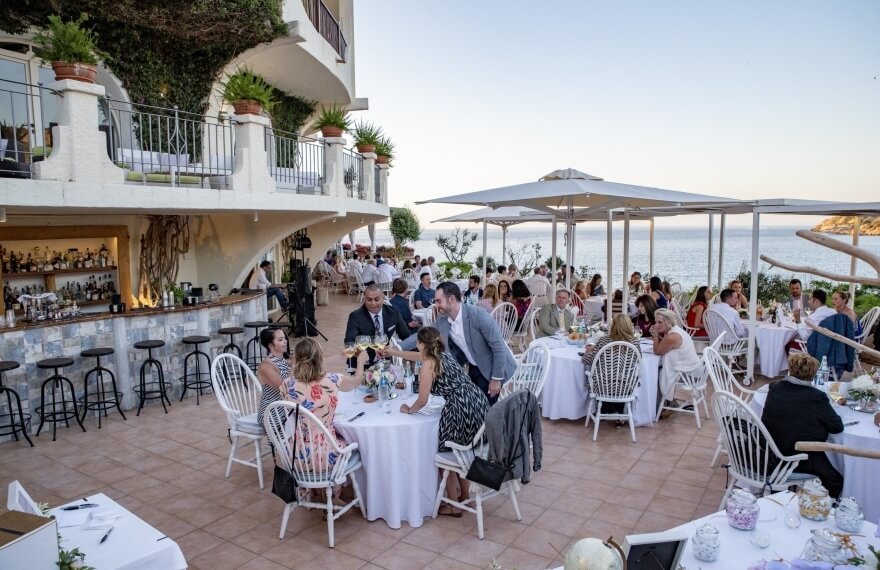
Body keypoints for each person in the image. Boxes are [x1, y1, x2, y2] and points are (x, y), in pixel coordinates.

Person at [382, 327, 489, 517]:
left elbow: (422, 400)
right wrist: (395, 352)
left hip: (459, 407)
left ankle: (454, 505)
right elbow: (418, 357)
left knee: (445, 455)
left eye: (417, 343)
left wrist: (409, 409)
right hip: (477, 401)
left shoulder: (428, 365)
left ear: (422, 344)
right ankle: (465, 496)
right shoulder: (442, 355)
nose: (416, 346)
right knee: (461, 450)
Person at [405, 282, 516, 404]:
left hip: (494, 366)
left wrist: (496, 379)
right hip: (474, 366)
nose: (436, 305)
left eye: (438, 301)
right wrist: (398, 347)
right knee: (470, 405)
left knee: (483, 410)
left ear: (451, 299)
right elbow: (424, 335)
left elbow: (498, 348)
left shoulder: (478, 315)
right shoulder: (442, 319)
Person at [761, 353, 844, 497]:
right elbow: (837, 427)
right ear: (812, 374)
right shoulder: (816, 397)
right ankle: (819, 510)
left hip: (771, 452)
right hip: (799, 457)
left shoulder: (774, 387)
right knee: (835, 480)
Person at [280, 338, 368, 473]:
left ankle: (314, 492)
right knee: (359, 446)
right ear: (319, 358)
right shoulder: (333, 380)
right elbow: (356, 381)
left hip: (295, 454)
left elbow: (294, 374)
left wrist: (299, 361)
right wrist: (361, 362)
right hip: (326, 454)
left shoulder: (288, 384)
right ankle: (341, 492)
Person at [582, 314, 641, 423]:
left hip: (603, 386)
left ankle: (609, 411)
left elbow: (587, 361)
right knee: (620, 377)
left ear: (612, 326)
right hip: (626, 387)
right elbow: (638, 361)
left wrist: (589, 351)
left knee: (604, 378)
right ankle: (618, 413)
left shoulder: (604, 340)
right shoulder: (635, 342)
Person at [344, 284, 411, 367]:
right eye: (369, 300)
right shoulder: (355, 316)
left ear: (383, 298)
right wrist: (356, 352)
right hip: (362, 362)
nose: (373, 303)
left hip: (386, 360)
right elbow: (349, 341)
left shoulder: (393, 313)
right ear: (364, 299)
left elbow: (406, 336)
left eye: (376, 299)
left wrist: (398, 350)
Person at [652, 308, 701, 410]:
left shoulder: (672, 336)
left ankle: (661, 407)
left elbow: (657, 351)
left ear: (669, 322)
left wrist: (655, 335)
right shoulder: (677, 331)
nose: (656, 325)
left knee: (654, 373)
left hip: (688, 376)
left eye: (660, 322)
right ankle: (668, 403)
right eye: (655, 322)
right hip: (694, 370)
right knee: (660, 370)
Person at [257, 328, 291, 426]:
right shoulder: (266, 366)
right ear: (270, 345)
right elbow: (284, 388)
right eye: (280, 340)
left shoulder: (283, 360)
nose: (285, 342)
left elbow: (314, 362)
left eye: (284, 338)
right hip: (271, 412)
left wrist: (338, 356)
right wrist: (295, 367)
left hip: (285, 408)